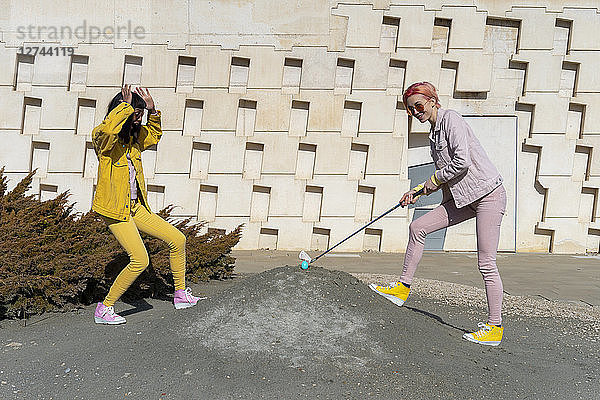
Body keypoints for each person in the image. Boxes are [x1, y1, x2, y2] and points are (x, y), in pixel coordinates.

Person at [369, 82, 507, 346]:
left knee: (486, 263)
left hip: (488, 194)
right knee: (417, 228)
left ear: (433, 101)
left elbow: (462, 161)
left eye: (418, 106)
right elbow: (444, 178)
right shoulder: (434, 135)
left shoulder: (451, 119)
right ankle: (402, 288)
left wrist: (430, 182)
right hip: (464, 198)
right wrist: (418, 192)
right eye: (410, 110)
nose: (416, 112)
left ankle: (494, 327)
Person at [91, 85, 202, 325]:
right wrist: (125, 107)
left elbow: (154, 135)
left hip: (135, 207)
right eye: (135, 111)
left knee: (178, 239)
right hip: (115, 210)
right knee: (140, 259)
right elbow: (110, 129)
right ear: (120, 109)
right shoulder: (103, 139)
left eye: (139, 111)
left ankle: (180, 294)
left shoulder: (133, 140)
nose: (137, 114)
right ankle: (105, 307)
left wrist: (152, 111)